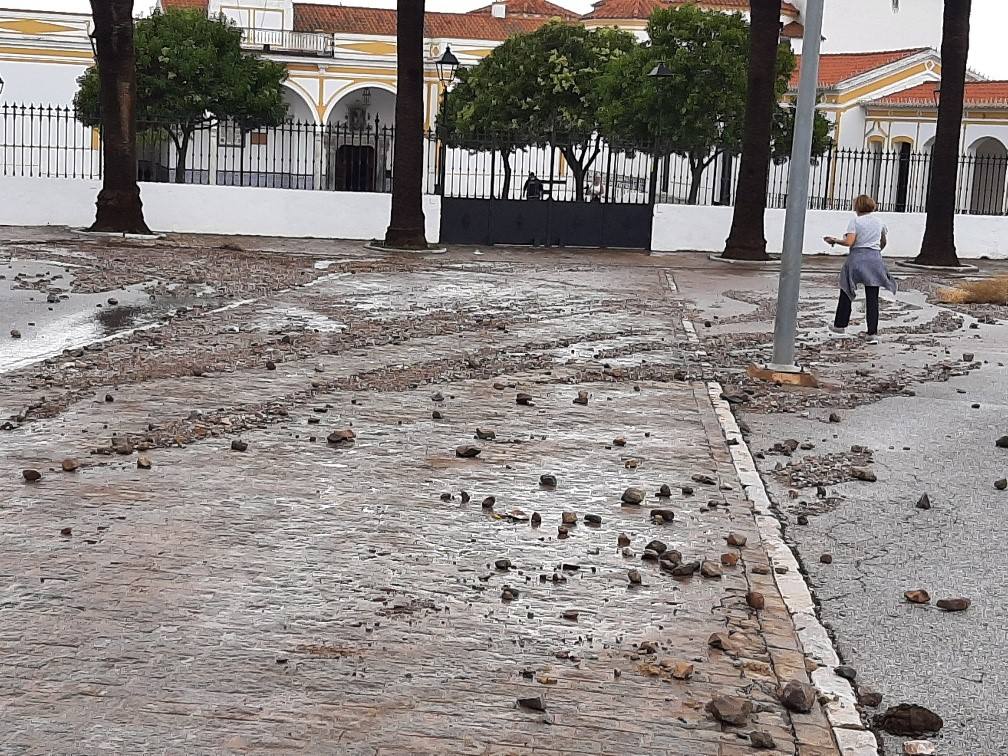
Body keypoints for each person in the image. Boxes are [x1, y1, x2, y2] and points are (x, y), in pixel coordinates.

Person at [824, 194, 897, 345]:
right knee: (872, 297)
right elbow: (883, 242)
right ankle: (872, 333)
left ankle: (840, 325)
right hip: (875, 259)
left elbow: (850, 242)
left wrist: (835, 240)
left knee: (846, 289)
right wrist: (875, 252)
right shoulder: (879, 222)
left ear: (857, 206)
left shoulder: (855, 221)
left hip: (857, 258)